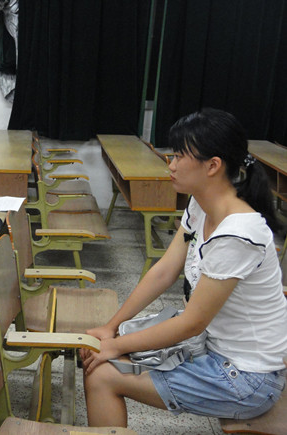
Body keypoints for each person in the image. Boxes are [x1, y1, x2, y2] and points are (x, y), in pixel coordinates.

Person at [81, 108, 287, 427]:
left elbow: (192, 323)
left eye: (179, 156)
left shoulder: (237, 234)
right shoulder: (201, 204)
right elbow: (164, 271)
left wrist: (115, 345)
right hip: (213, 347)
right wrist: (112, 327)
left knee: (102, 375)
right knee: (109, 348)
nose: (171, 164)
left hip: (247, 377)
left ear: (213, 166)